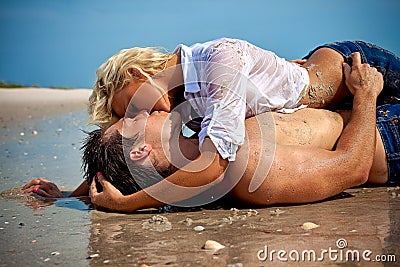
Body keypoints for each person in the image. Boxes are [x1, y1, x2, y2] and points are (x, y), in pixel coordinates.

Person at [24, 53, 394, 212]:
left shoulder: (208, 136)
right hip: (384, 130)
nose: (145, 111)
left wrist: (69, 196)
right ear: (141, 153)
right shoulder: (244, 169)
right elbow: (353, 168)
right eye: (132, 120)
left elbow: (114, 168)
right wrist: (366, 96)